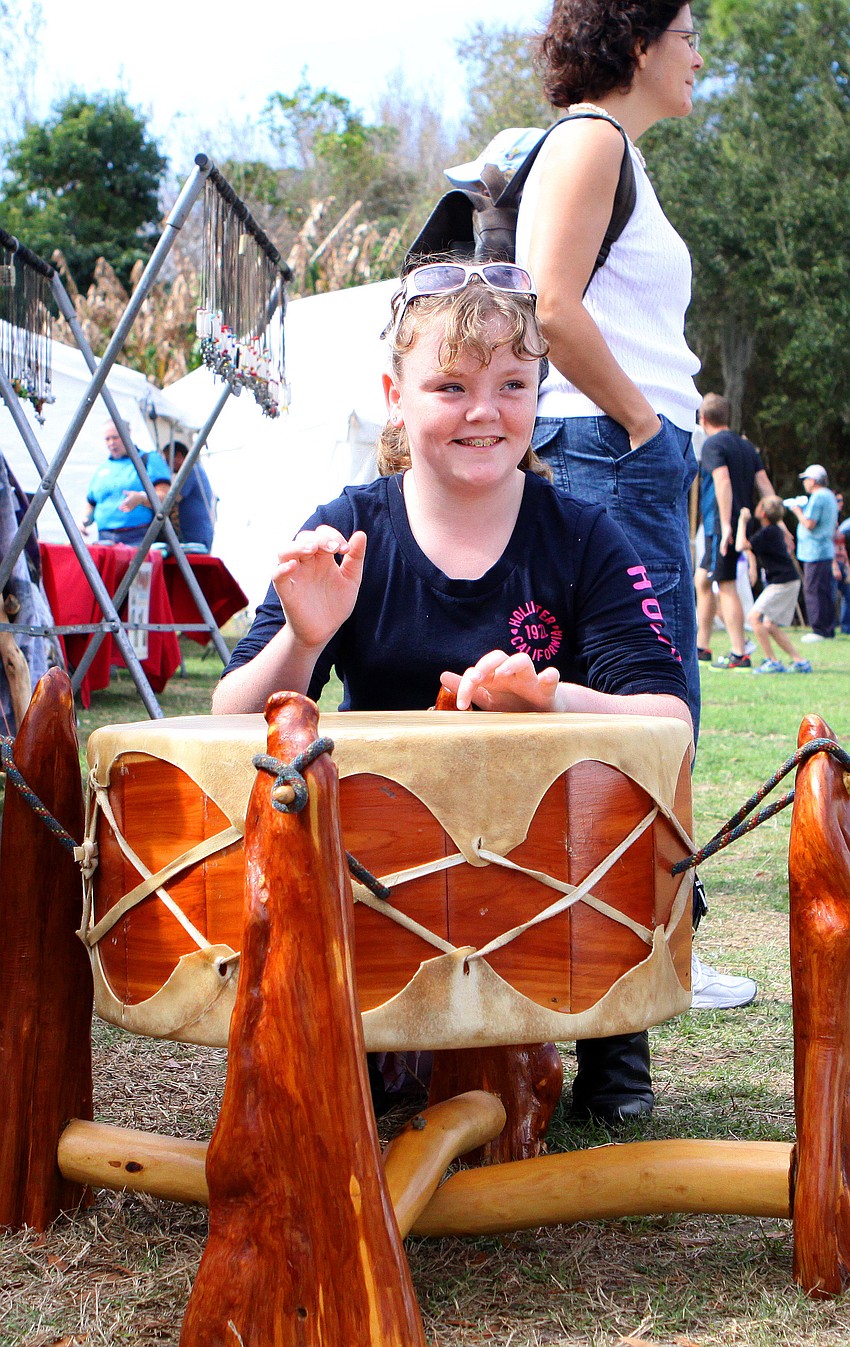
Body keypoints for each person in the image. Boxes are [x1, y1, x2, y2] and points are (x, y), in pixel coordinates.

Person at [213, 266, 693, 1125]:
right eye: (451, 386)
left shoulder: (585, 534)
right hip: (386, 868)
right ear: (396, 396)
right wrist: (305, 635)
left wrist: (550, 706)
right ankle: (396, 1032)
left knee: (605, 799)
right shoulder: (353, 521)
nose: (485, 411)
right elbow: (232, 718)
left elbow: (671, 719)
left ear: (540, 394)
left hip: (555, 866)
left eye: (513, 384)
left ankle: (609, 1041)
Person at [514, 2, 755, 1012]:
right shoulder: (592, 139)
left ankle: (639, 948)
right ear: (638, 39)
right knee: (650, 707)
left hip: (616, 449)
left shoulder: (613, 151)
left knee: (625, 703)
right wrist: (648, 431)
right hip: (612, 450)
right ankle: (648, 956)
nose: (701, 53)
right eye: (689, 30)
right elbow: (548, 301)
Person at [696, 394, 773, 669]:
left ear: (702, 419)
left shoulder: (712, 444)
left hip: (723, 525)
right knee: (702, 581)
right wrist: (777, 521)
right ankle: (701, 647)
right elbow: (764, 484)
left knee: (725, 584)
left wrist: (726, 524)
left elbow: (722, 480)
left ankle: (740, 652)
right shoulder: (746, 446)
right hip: (736, 522)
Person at [735, 498, 810, 674]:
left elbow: (741, 545)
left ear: (763, 513)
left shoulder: (768, 532)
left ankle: (772, 661)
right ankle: (800, 661)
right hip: (786, 580)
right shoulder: (773, 531)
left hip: (782, 582)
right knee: (769, 625)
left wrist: (741, 521)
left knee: (754, 618)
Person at [80, 421, 171, 546]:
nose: (112, 443)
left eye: (115, 437)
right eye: (107, 439)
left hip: (140, 536)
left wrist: (141, 498)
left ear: (127, 434)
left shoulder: (148, 459)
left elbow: (165, 497)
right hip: (105, 539)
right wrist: (84, 521)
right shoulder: (103, 468)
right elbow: (91, 503)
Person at [786, 464, 839, 642]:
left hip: (814, 551)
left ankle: (819, 630)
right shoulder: (830, 496)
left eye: (806, 479)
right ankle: (828, 629)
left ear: (814, 480)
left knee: (813, 590)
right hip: (824, 550)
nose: (805, 483)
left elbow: (809, 524)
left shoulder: (818, 497)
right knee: (824, 591)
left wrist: (797, 511)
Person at [171, 442, 217, 552]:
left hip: (196, 534)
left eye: (167, 459)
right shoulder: (195, 469)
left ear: (178, 455)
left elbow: (174, 499)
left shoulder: (190, 470)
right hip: (197, 532)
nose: (167, 464)